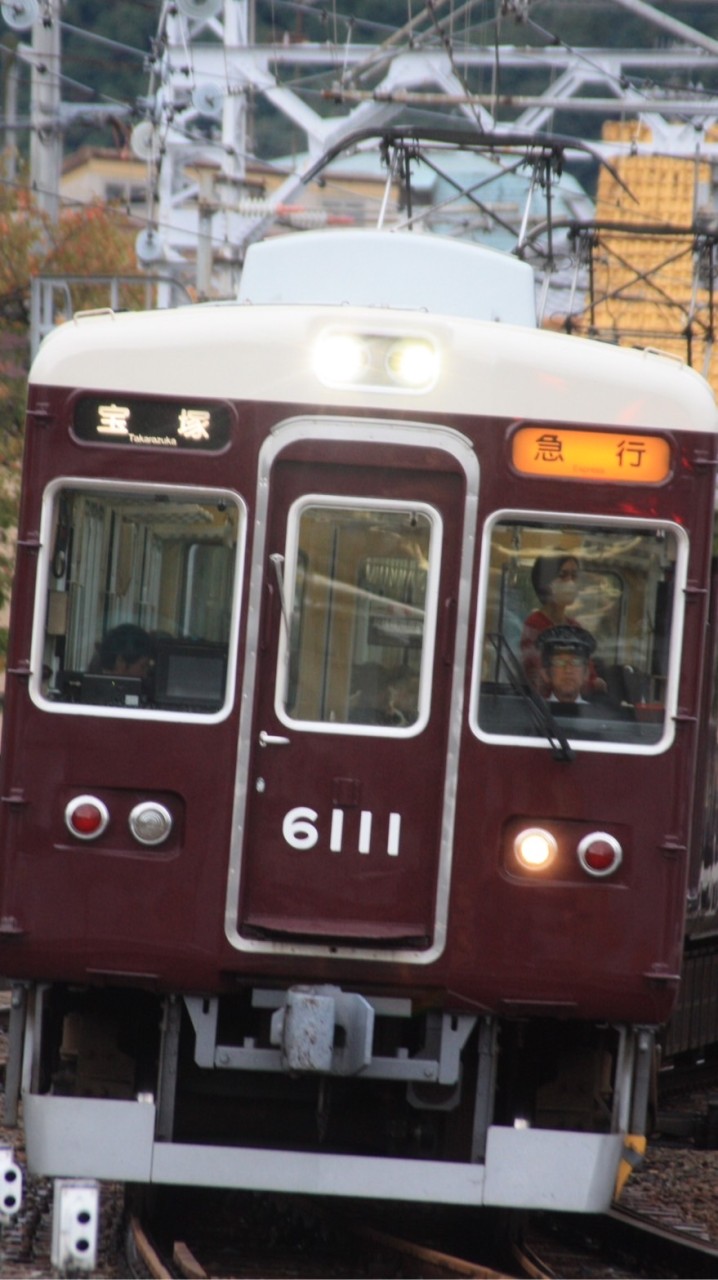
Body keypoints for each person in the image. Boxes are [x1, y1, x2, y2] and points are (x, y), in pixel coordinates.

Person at [521, 553, 605, 696]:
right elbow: (541, 676)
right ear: (546, 582)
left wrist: (594, 682)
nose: (570, 582)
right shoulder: (534, 624)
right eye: (563, 575)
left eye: (573, 576)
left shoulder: (575, 626)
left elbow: (589, 673)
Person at [537, 625, 631, 720]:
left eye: (576, 662)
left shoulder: (602, 719)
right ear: (546, 674)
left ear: (586, 673)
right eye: (559, 662)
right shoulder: (535, 715)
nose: (568, 670)